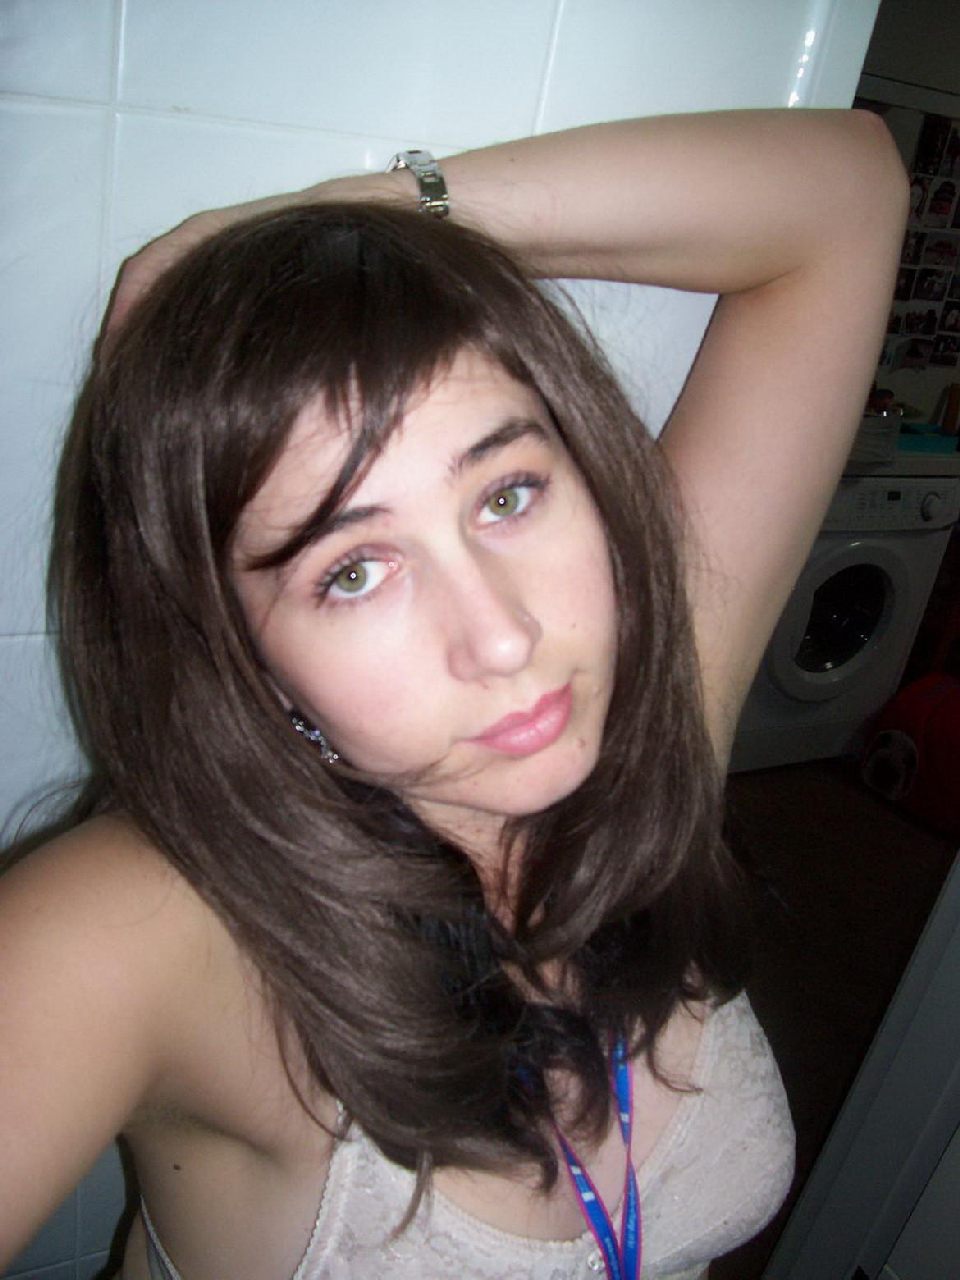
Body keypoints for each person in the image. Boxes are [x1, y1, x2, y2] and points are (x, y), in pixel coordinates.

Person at [1, 111, 906, 1280]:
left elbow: (847, 191)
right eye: (354, 571)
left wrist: (347, 222)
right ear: (233, 652)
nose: (504, 635)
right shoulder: (149, 931)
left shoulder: (642, 713)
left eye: (508, 493)